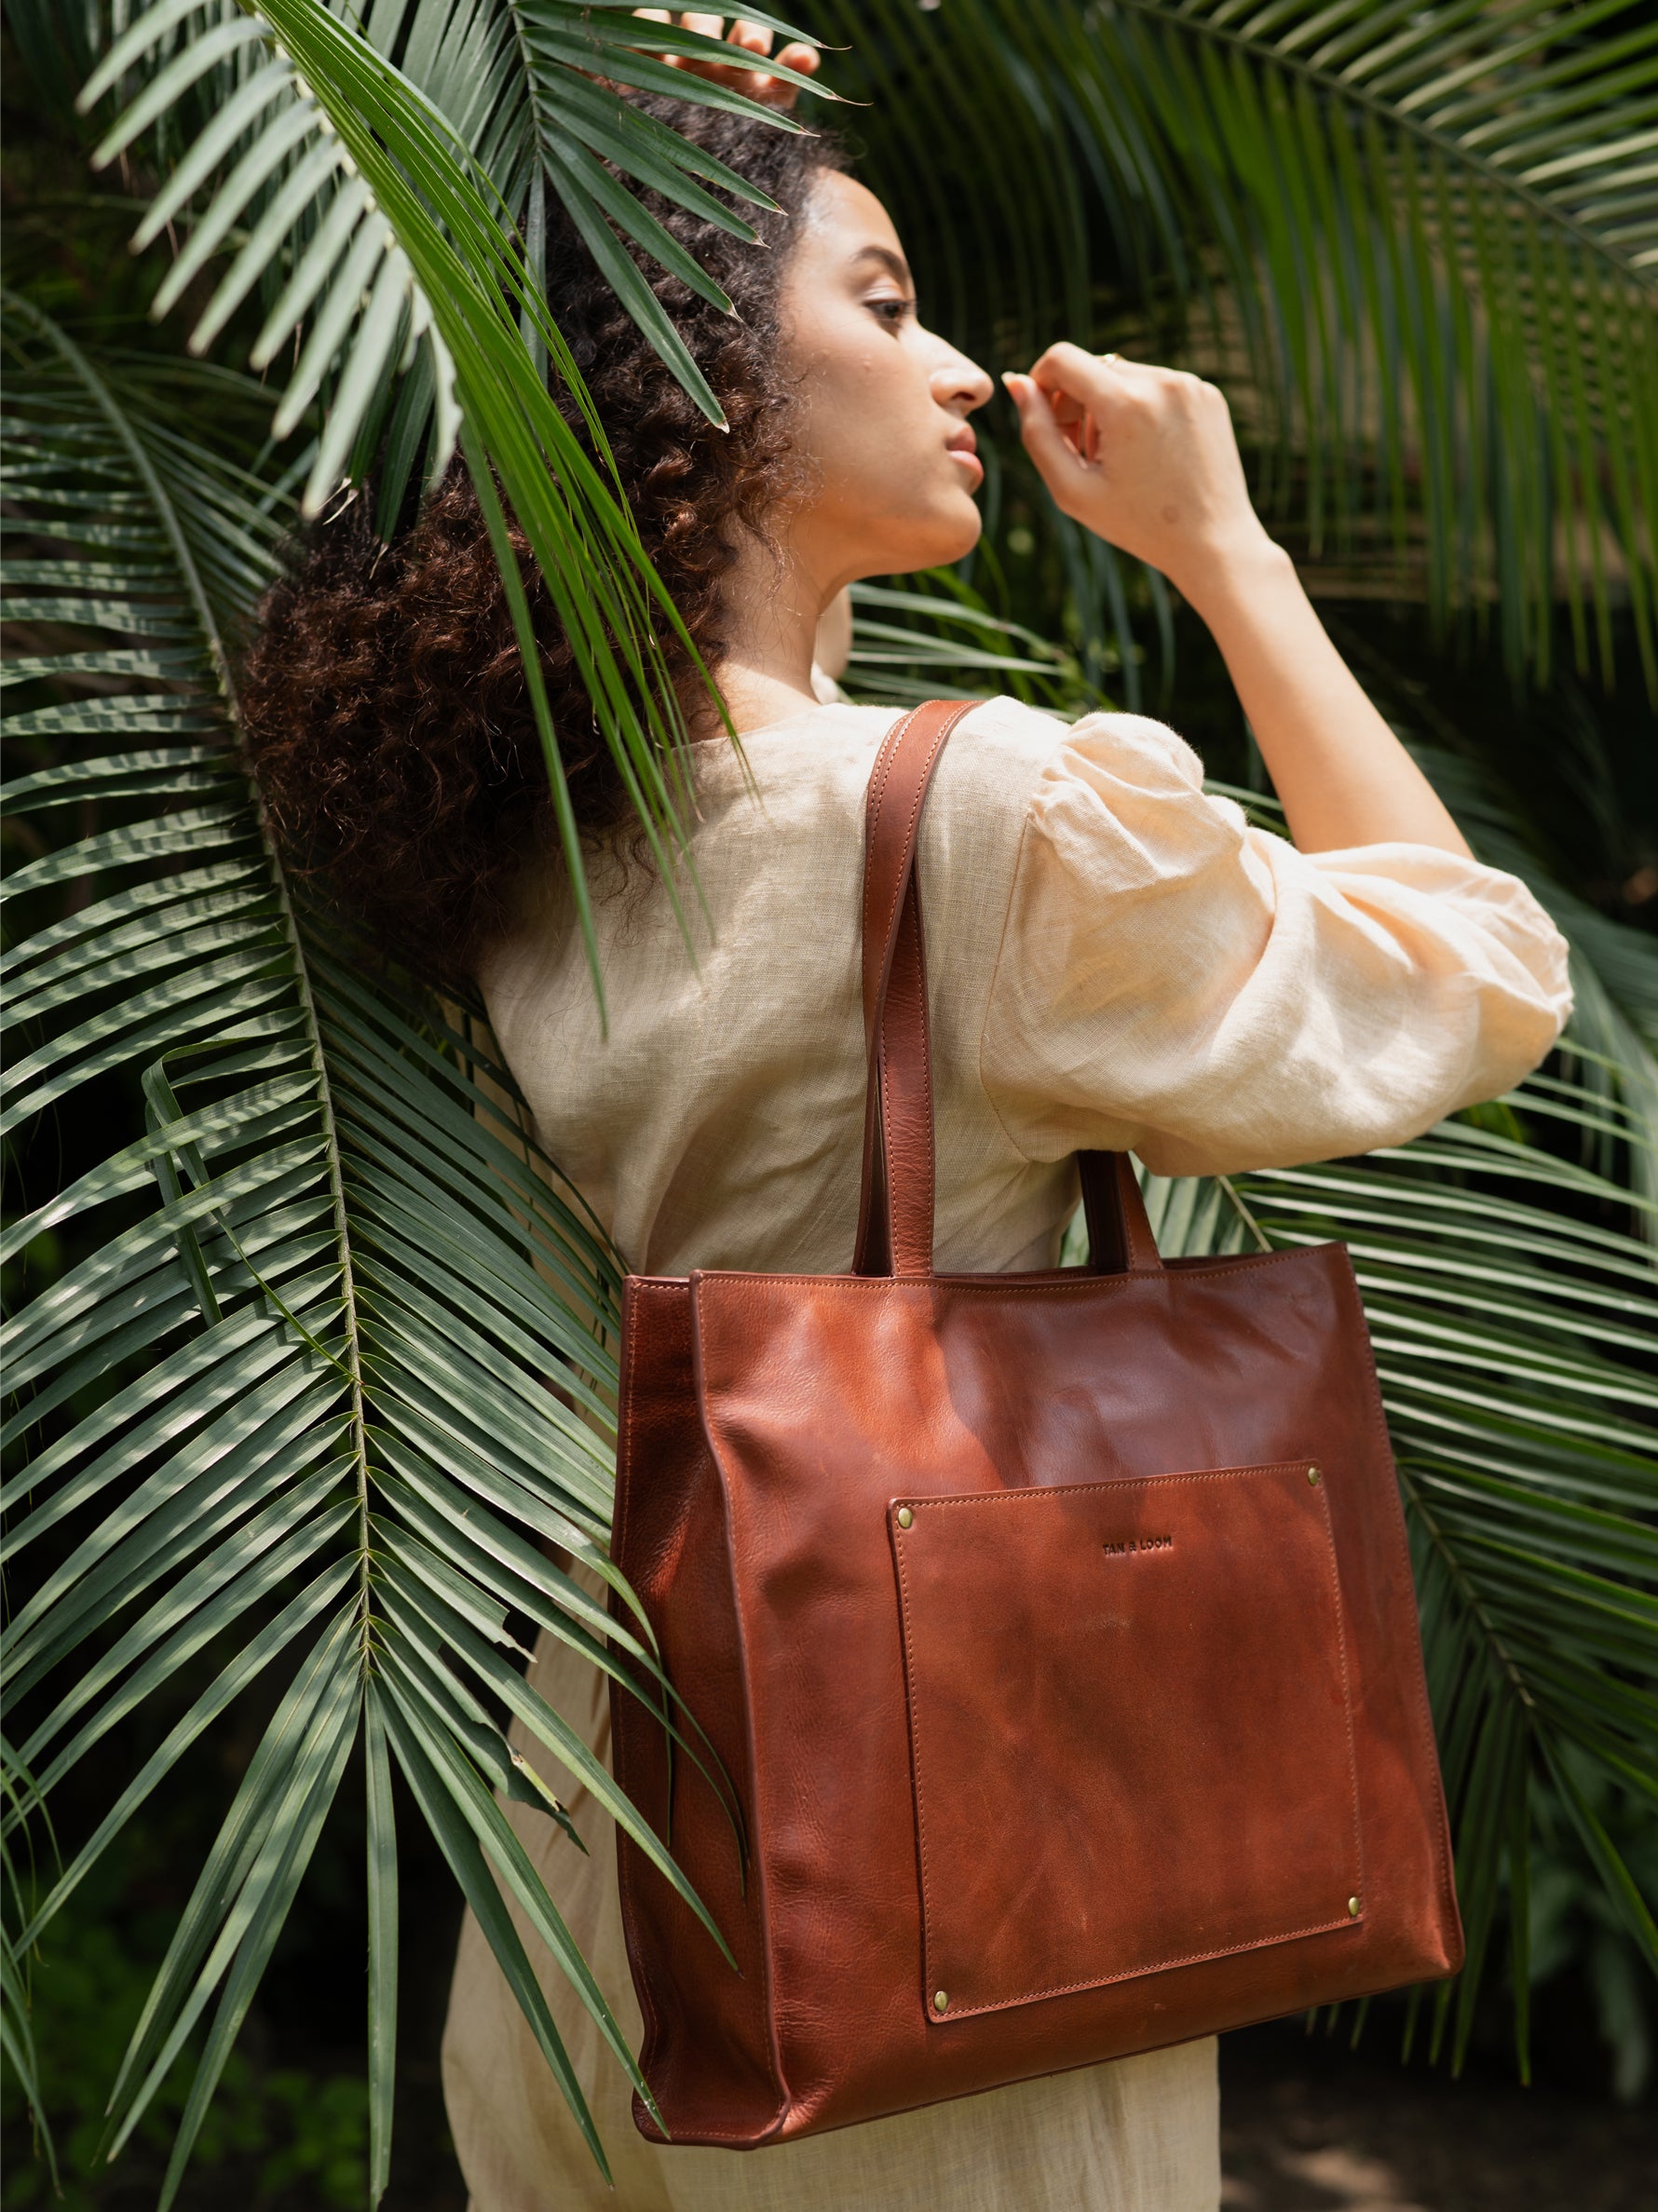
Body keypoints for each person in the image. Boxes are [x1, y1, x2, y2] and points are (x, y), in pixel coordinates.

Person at [240, 22, 1571, 2211]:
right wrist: (1225, 554)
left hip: (585, 1843)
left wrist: (655, 141)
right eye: (881, 304)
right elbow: (1472, 975)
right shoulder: (979, 820)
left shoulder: (501, 843)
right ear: (691, 378)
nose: (956, 367)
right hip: (932, 1892)